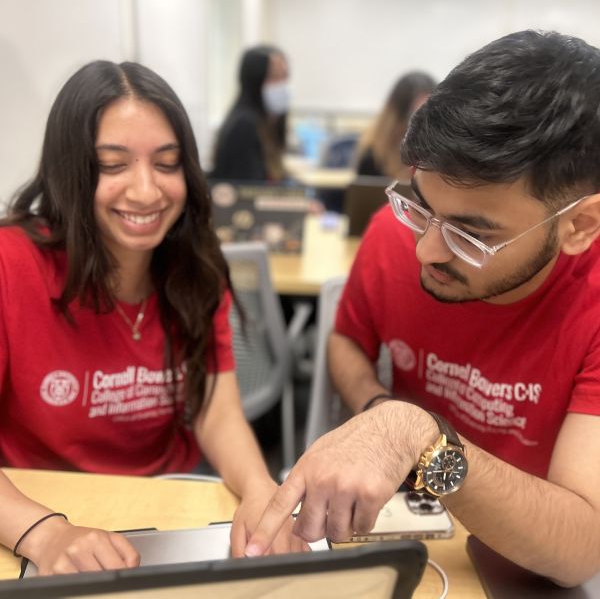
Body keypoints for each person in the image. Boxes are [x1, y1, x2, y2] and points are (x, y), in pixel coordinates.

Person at [245, 30, 600, 587]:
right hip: (410, 534)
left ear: (579, 226)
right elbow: (346, 341)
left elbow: (579, 550)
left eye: (471, 235)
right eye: (421, 205)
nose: (426, 249)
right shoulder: (394, 236)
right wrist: (376, 405)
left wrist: (421, 437)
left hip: (525, 555)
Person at [0, 60, 306, 575]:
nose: (146, 191)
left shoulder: (194, 263)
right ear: (70, 170)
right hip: (36, 507)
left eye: (167, 164)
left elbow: (217, 409)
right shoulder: (11, 265)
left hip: (166, 506)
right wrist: (43, 532)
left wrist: (260, 491)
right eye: (113, 165)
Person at [211, 45, 289, 181]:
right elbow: (250, 192)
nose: (282, 85)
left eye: (285, 77)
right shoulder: (244, 125)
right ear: (254, 80)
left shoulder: (265, 122)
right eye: (274, 77)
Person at [354, 71, 436, 180]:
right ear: (399, 116)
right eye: (416, 114)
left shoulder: (438, 152)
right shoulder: (374, 155)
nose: (425, 123)